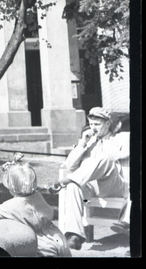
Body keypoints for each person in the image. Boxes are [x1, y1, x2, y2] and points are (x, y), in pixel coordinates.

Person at [0, 163, 71, 257]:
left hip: (39, 244)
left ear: (11, 188)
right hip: (58, 238)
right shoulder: (38, 195)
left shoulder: (9, 206)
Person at [56, 107, 130, 251]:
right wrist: (82, 143)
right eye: (91, 124)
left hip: (114, 185)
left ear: (107, 124)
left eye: (97, 124)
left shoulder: (121, 138)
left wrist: (108, 153)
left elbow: (128, 150)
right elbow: (70, 165)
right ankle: (74, 235)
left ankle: (68, 180)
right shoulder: (87, 143)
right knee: (73, 187)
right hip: (91, 187)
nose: (93, 128)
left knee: (106, 159)